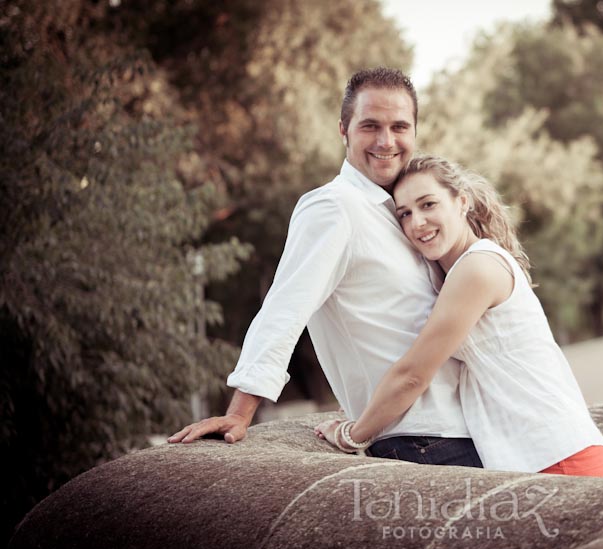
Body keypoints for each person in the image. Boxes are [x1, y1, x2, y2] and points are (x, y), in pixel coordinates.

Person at [168, 68, 482, 468]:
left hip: (469, 426)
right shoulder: (333, 208)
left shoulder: (409, 215)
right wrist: (240, 411)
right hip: (423, 440)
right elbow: (285, 307)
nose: (386, 141)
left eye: (399, 126)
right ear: (344, 130)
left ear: (415, 132)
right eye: (370, 126)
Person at [316, 156, 603, 477]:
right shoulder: (456, 272)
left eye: (428, 204)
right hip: (537, 456)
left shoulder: (478, 268)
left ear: (461, 203)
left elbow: (414, 375)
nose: (417, 222)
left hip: (558, 455)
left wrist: (353, 434)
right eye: (405, 213)